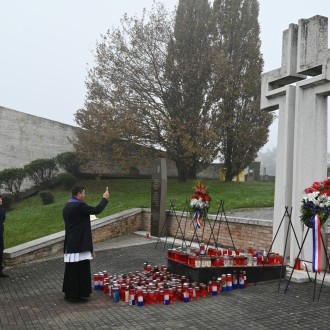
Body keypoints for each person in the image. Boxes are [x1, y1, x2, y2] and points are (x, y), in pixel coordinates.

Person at [62, 186, 109, 301]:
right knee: (81, 269)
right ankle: (77, 295)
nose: (85, 195)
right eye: (83, 193)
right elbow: (96, 210)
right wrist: (105, 199)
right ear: (78, 194)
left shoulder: (67, 206)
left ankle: (70, 293)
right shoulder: (79, 205)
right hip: (80, 242)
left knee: (71, 270)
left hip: (71, 242)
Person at [0, 195, 9, 278]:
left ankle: (0, 270)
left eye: (1, 199)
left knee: (1, 251)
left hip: (0, 234)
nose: (0, 200)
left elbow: (2, 220)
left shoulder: (2, 210)